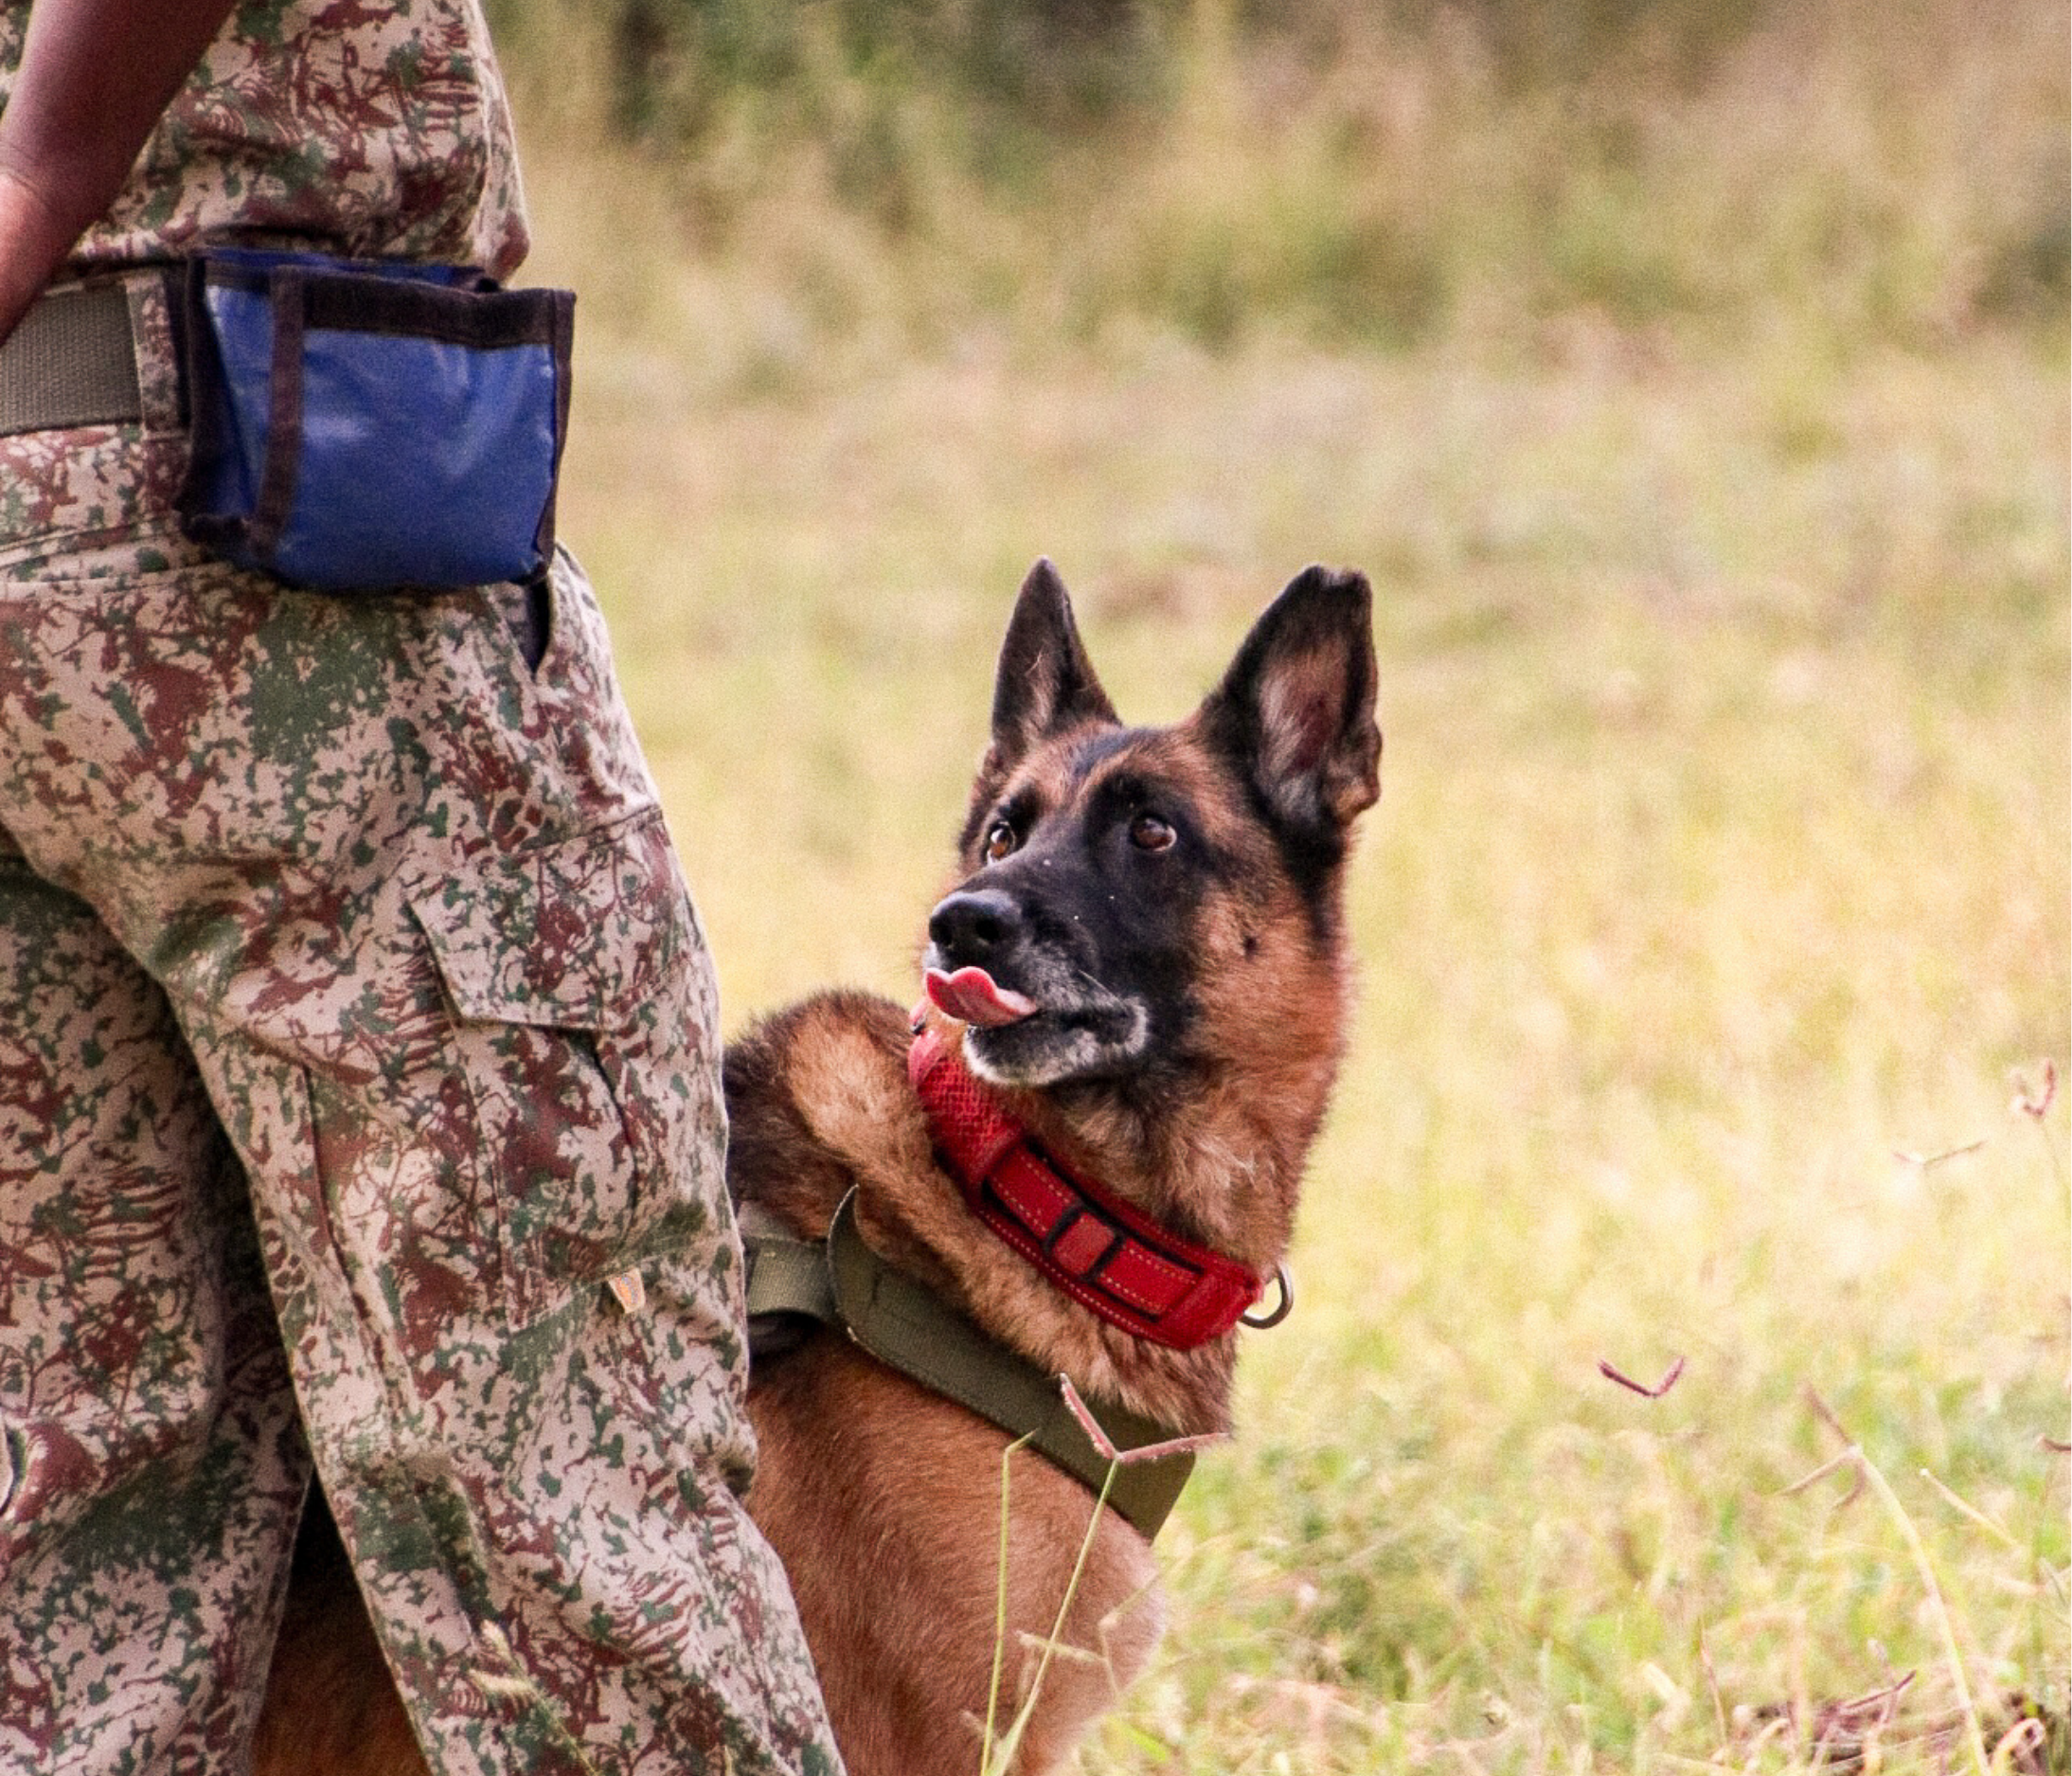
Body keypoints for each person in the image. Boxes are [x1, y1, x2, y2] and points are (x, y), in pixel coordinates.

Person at [0, 2, 843, 1770]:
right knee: (570, 1467)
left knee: (81, 1507)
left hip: (38, 556)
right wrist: (42, 170)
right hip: (265, 521)